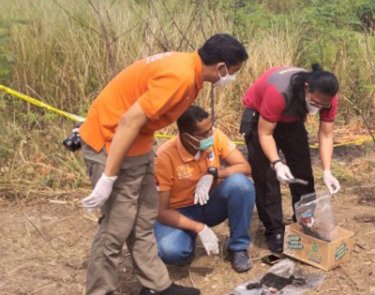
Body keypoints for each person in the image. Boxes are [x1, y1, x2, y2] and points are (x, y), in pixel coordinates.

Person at [79, 34, 248, 295]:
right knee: (117, 226)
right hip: (111, 144)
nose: (230, 78)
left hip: (139, 145)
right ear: (221, 67)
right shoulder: (179, 76)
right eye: (232, 72)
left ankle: (157, 286)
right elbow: (128, 121)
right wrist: (109, 177)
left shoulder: (190, 73)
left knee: (144, 219)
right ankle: (101, 291)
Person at [240, 64, 341, 254]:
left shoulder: (329, 98)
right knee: (267, 177)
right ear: (306, 88)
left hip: (291, 119)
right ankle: (274, 230)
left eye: (323, 104)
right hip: (260, 119)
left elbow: (326, 134)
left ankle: (304, 221)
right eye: (315, 102)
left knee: (302, 172)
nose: (318, 107)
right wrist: (277, 163)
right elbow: (265, 133)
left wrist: (327, 170)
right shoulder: (278, 92)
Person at [153, 106, 255, 273]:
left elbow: (245, 167)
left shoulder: (216, 136)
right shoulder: (164, 157)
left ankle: (238, 247)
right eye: (204, 134)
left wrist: (214, 174)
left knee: (241, 185)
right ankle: (187, 237)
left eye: (211, 130)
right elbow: (161, 211)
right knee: (171, 251)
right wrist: (199, 228)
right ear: (187, 137)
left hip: (209, 204)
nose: (210, 136)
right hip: (179, 212)